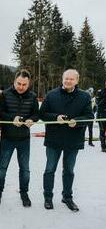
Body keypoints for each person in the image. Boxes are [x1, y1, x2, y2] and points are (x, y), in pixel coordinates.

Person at [40, 69, 94, 212]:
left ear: (77, 81)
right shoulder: (51, 95)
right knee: (50, 169)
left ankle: (67, 197)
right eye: (66, 78)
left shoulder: (84, 97)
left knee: (69, 170)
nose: (68, 81)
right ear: (62, 79)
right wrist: (55, 117)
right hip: (54, 139)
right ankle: (48, 197)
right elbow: (42, 114)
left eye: (71, 79)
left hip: (73, 140)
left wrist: (77, 121)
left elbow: (89, 116)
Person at [0, 69, 39, 207]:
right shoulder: (5, 94)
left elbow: (36, 114)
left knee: (25, 169)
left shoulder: (32, 96)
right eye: (19, 83)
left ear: (28, 84)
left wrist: (32, 120)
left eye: (24, 85)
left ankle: (24, 193)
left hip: (24, 139)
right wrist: (11, 118)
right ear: (14, 81)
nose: (21, 87)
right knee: (2, 167)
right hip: (8, 138)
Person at [96, 82, 106, 152]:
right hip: (102, 114)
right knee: (102, 130)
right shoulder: (101, 92)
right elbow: (98, 103)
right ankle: (103, 146)